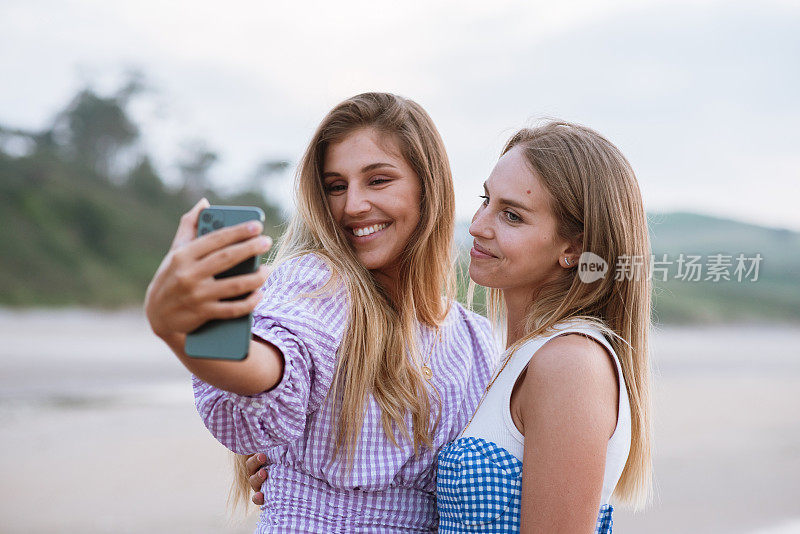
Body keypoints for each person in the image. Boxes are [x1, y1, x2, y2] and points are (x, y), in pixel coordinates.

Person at [144, 92, 498, 533]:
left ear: (429, 187)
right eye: (336, 186)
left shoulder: (477, 338)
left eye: (378, 180)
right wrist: (186, 331)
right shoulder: (320, 283)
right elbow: (274, 364)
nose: (352, 205)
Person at [435, 122, 653, 533]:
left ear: (572, 248)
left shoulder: (570, 361)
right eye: (486, 200)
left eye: (511, 215)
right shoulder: (516, 357)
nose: (478, 225)